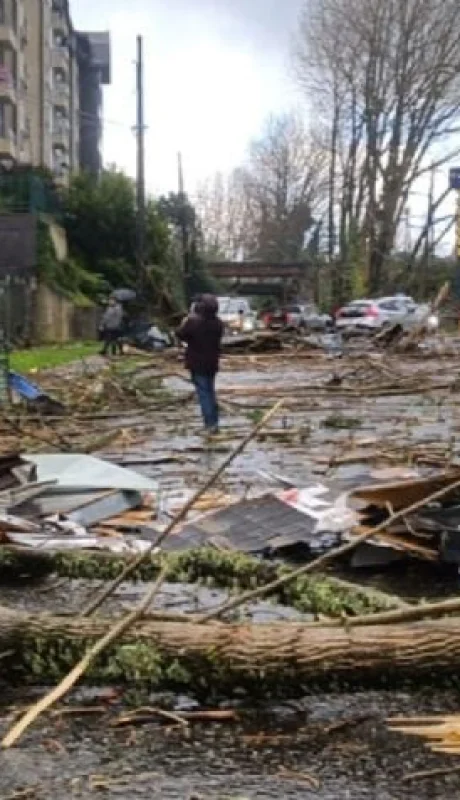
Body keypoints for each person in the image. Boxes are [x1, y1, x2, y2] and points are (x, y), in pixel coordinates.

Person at [177, 294, 223, 435]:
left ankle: (210, 426)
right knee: (210, 392)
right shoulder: (218, 323)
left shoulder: (193, 322)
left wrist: (185, 321)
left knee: (204, 394)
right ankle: (214, 423)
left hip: (197, 363)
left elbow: (180, 334)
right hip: (212, 362)